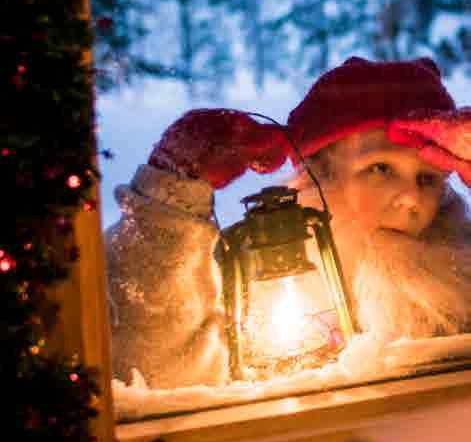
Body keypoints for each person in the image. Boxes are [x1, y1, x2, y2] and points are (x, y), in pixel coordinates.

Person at [105, 56, 471, 391]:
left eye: (429, 179)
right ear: (323, 174)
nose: (412, 199)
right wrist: (168, 201)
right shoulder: (265, 289)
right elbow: (159, 374)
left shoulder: (458, 277)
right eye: (380, 169)